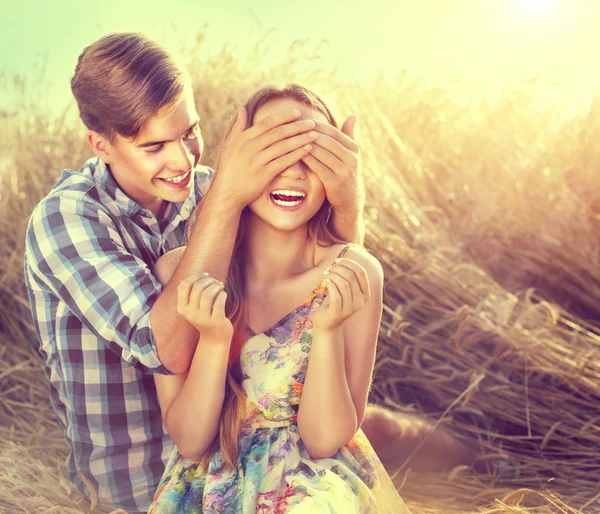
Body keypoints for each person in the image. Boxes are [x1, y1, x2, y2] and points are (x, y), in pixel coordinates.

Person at [23, 33, 367, 513]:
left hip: (245, 446)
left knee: (377, 427)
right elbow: (161, 350)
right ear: (102, 145)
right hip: (141, 483)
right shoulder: (67, 219)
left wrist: (348, 202)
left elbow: (319, 262)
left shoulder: (210, 187)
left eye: (190, 132)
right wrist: (226, 197)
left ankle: (488, 459)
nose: (185, 161)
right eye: (155, 146)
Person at [147, 84, 411, 513]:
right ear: (237, 161)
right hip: (207, 486)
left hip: (315, 488)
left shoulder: (355, 271)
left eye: (313, 154)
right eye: (274, 150)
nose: (293, 171)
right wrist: (214, 341)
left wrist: (326, 330)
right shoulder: (179, 274)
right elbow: (191, 441)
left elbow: (325, 441)